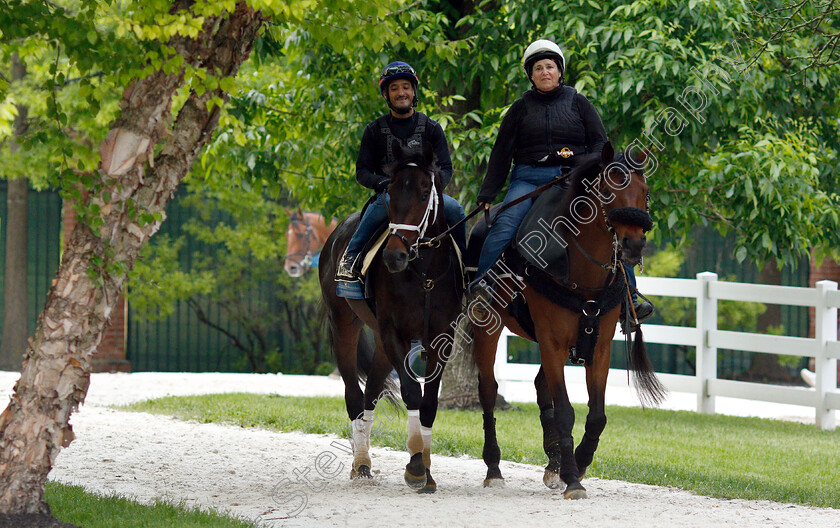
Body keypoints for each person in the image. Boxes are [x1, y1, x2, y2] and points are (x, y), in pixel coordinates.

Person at [468, 39, 653, 324]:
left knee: (611, 224)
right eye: (538, 68)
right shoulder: (519, 109)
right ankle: (483, 287)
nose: (545, 72)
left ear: (559, 71)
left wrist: (584, 170)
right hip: (529, 178)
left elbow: (599, 145)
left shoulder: (579, 102)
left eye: (550, 67)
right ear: (531, 75)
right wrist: (488, 191)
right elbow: (501, 152)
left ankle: (631, 298)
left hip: (574, 179)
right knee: (504, 224)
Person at [336, 61, 466, 282]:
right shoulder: (374, 130)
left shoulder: (432, 128)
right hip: (391, 194)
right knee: (375, 212)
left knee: (456, 210)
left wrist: (433, 189)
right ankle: (350, 257)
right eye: (394, 88)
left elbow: (446, 167)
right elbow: (362, 171)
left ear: (413, 91)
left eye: (405, 87)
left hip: (426, 196)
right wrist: (383, 184)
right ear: (386, 95)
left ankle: (466, 266)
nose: (401, 93)